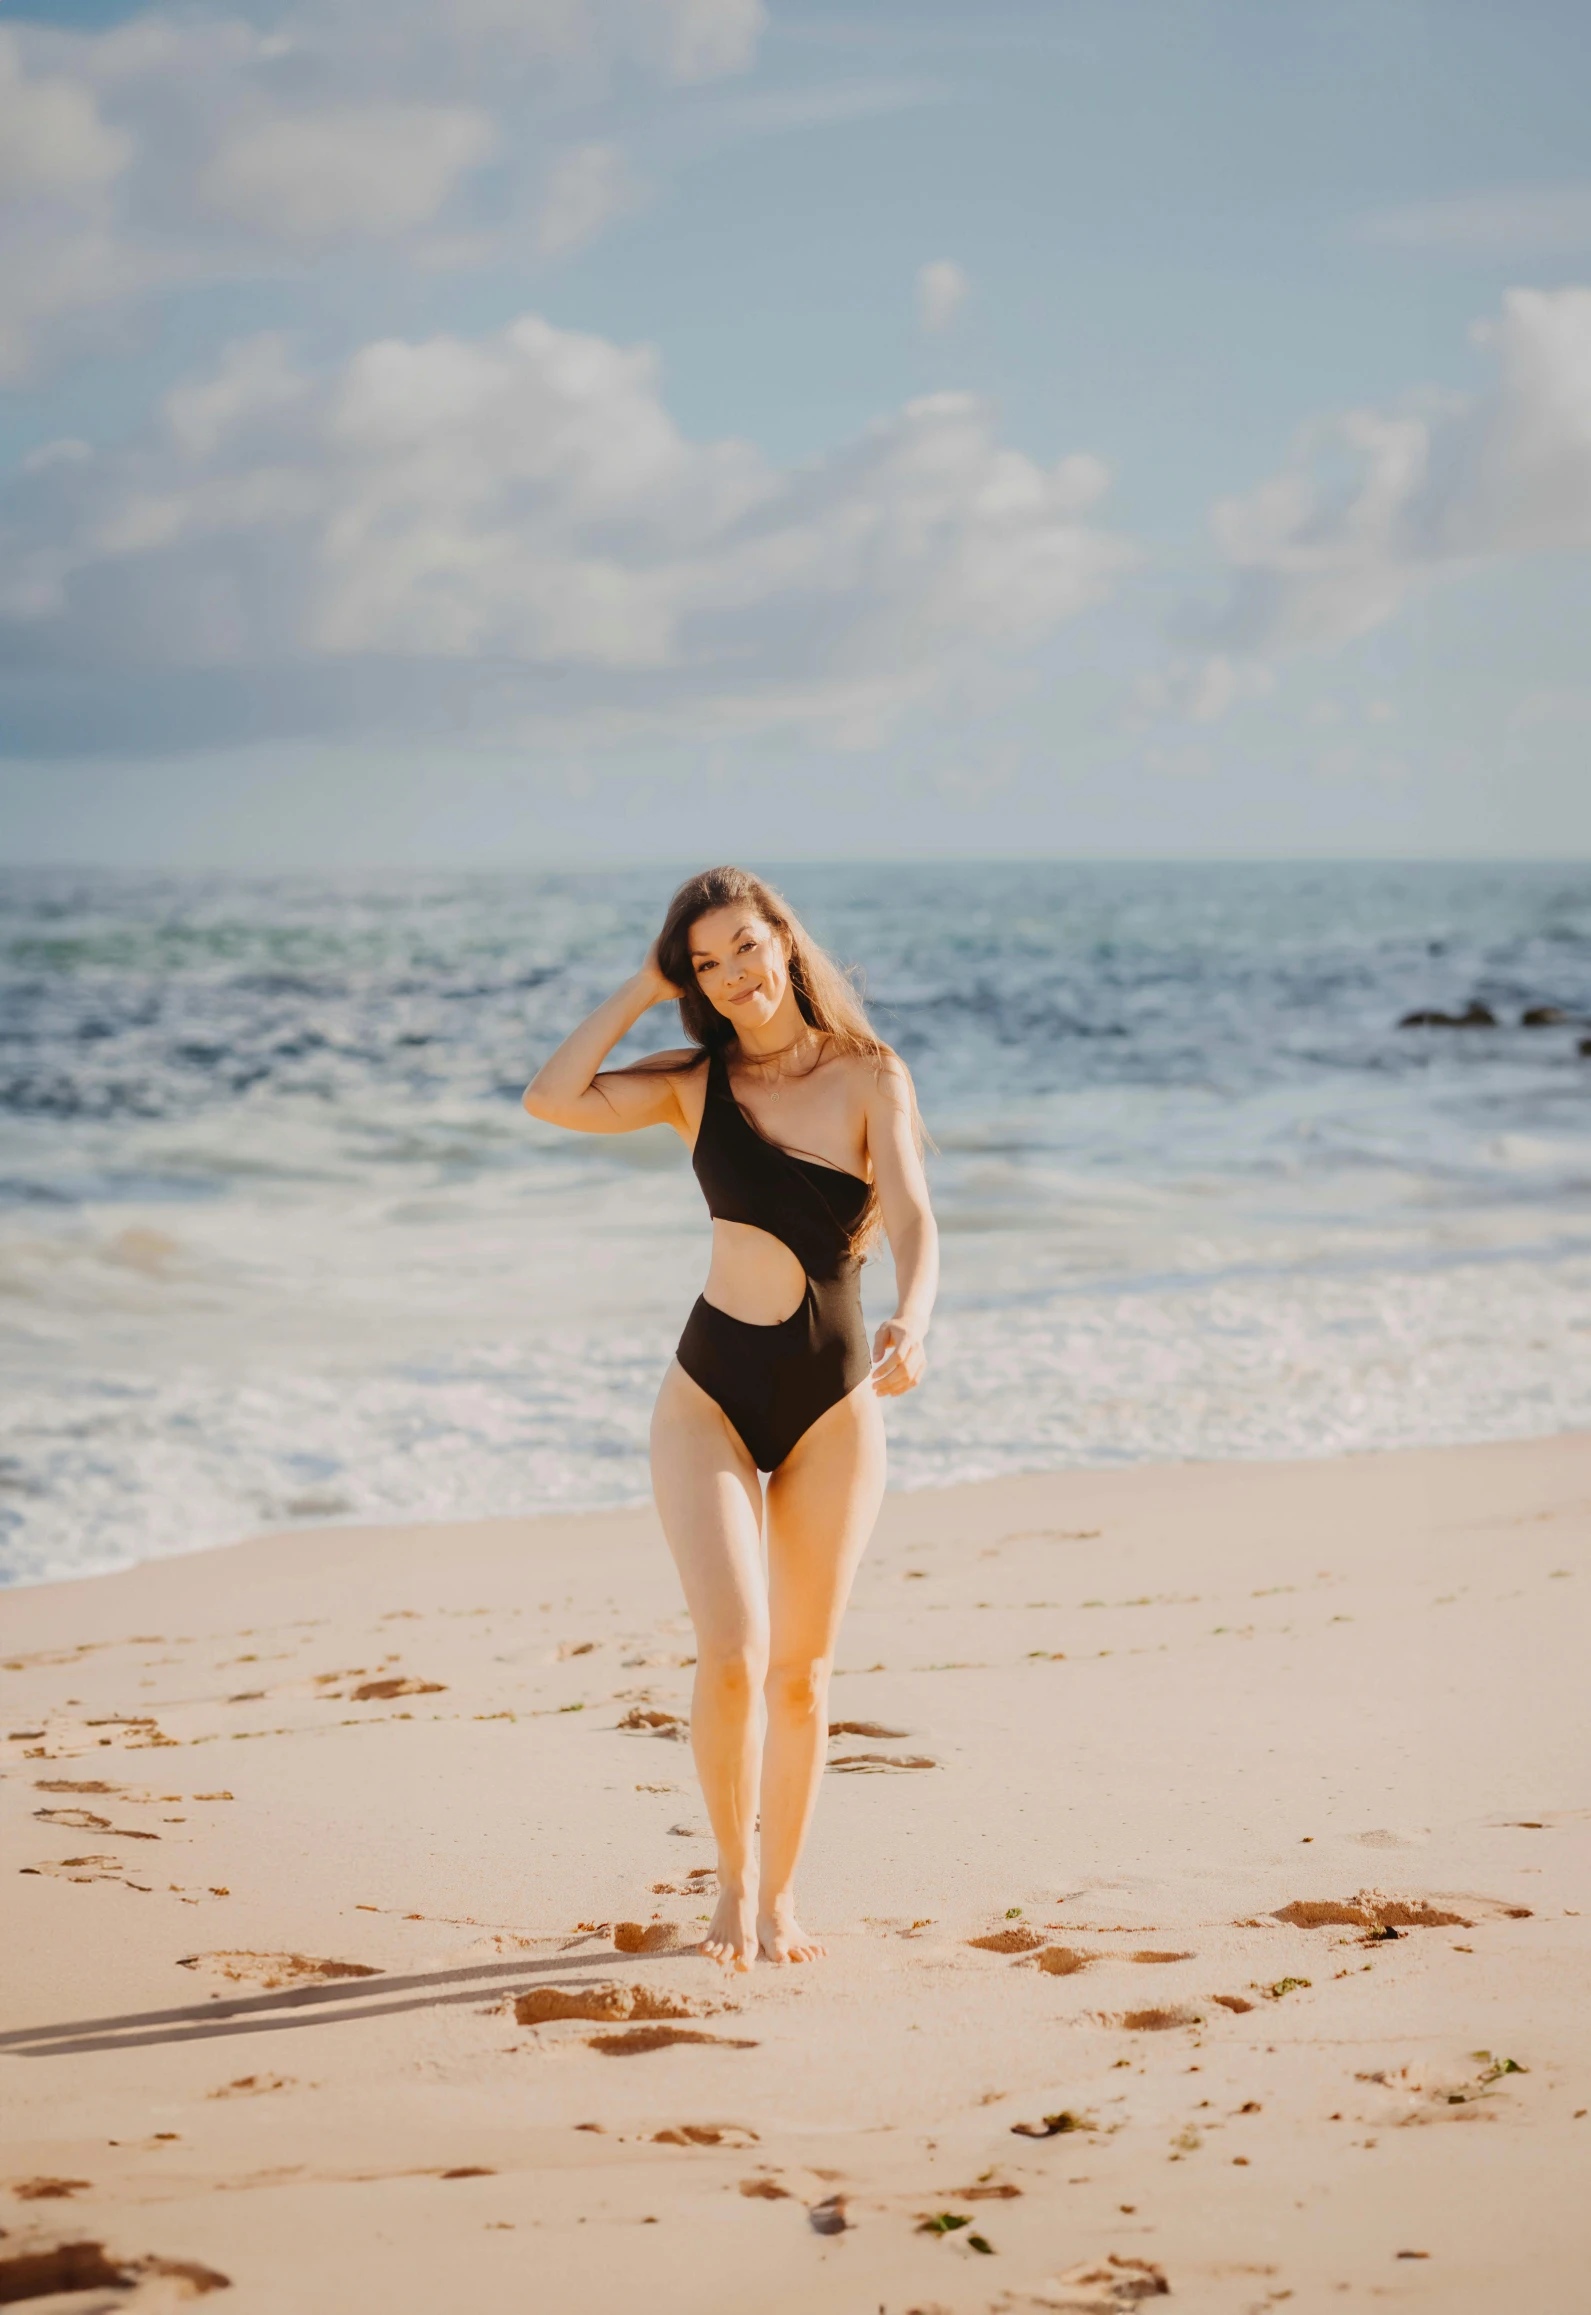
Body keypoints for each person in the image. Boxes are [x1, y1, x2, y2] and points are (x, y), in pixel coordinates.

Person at [524, 866, 938, 1969]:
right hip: (706, 1394)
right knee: (733, 1653)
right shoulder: (693, 1080)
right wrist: (640, 990)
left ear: (784, 942)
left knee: (802, 1670)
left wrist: (918, 1318)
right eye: (705, 962)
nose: (732, 975)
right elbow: (550, 1097)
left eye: (743, 948)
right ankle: (730, 1885)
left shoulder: (869, 1074)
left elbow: (912, 1217)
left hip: (833, 1404)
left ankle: (783, 1900)